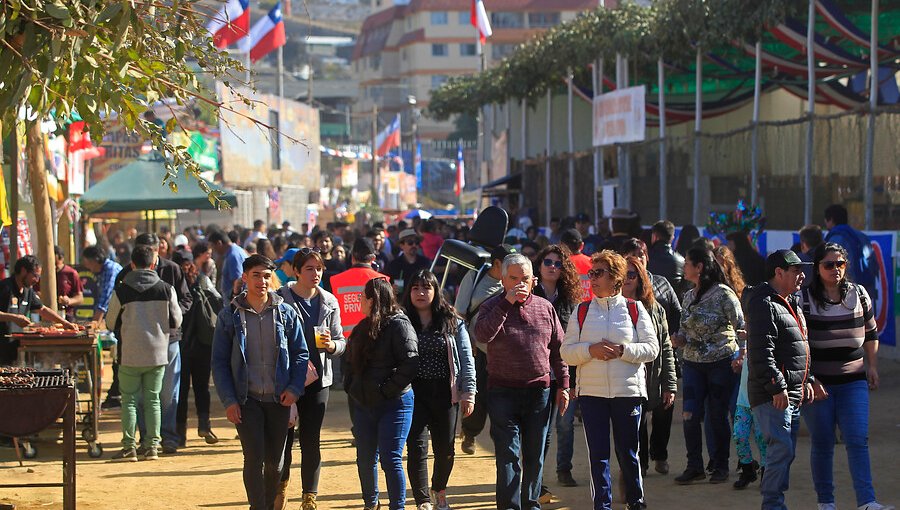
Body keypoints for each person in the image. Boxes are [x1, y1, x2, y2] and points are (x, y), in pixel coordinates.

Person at [560, 251, 659, 510]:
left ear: (616, 277)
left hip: (628, 393)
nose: (592, 278)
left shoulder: (635, 309)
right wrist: (590, 350)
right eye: (591, 273)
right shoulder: (581, 311)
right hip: (592, 394)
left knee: (628, 454)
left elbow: (652, 349)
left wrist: (623, 351)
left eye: (598, 273)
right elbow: (566, 352)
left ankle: (635, 502)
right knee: (598, 456)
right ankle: (601, 505)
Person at [799, 243, 894, 510]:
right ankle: (826, 503)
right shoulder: (803, 299)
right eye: (828, 265)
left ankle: (867, 501)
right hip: (818, 385)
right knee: (823, 442)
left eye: (840, 264)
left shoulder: (860, 294)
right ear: (817, 268)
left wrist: (872, 365)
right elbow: (797, 344)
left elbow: (871, 333)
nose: (835, 269)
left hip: (854, 381)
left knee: (857, 439)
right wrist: (808, 379)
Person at [211, 254, 308, 510]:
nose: (262, 281)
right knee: (253, 458)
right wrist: (230, 400)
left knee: (275, 462)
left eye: (267, 276)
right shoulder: (228, 316)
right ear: (245, 277)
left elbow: (301, 353)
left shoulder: (286, 313)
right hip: (247, 400)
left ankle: (266, 504)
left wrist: (295, 389)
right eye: (256, 275)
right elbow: (219, 362)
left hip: (279, 398)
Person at [474, 253, 570, 510]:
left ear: (533, 280)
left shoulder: (545, 307)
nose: (519, 284)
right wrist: (505, 303)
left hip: (539, 392)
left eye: (525, 278)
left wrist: (564, 385)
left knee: (534, 457)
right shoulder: (491, 306)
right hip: (502, 391)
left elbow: (559, 350)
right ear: (503, 280)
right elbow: (482, 334)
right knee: (507, 455)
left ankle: (531, 505)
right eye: (513, 278)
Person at [743, 249, 815, 510]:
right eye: (796, 271)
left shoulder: (789, 301)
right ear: (779, 273)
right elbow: (762, 352)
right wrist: (776, 387)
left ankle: (774, 503)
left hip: (789, 392)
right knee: (781, 449)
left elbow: (799, 347)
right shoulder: (764, 304)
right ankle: (772, 505)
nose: (802, 275)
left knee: (785, 451)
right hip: (773, 394)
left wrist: (808, 379)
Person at [276, 248, 347, 510]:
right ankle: (280, 487)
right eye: (309, 268)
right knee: (283, 439)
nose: (315, 273)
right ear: (296, 271)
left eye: (319, 269)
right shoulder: (280, 299)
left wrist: (331, 347)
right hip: (286, 379)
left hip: (318, 379)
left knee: (311, 439)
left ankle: (309, 497)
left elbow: (341, 341)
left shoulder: (329, 300)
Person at [401, 270, 476, 510]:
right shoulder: (400, 320)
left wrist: (469, 392)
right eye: (416, 288)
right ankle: (423, 500)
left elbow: (466, 357)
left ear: (436, 291)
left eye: (426, 288)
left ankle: (439, 490)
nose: (421, 293)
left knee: (445, 448)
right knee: (417, 447)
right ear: (409, 292)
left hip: (446, 392)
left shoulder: (452, 320)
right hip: (413, 393)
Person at [673, 247, 744, 485]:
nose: (684, 267)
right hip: (692, 363)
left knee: (717, 415)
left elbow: (742, 327)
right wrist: (678, 339)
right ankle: (694, 466)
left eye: (688, 262)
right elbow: (683, 329)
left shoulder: (724, 294)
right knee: (689, 414)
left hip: (721, 363)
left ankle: (721, 466)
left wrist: (741, 355)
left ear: (699, 267)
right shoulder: (688, 295)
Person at [346, 278, 419, 510]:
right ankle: (371, 504)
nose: (359, 300)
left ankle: (397, 507)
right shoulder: (361, 327)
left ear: (373, 300)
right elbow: (347, 364)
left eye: (363, 296)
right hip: (364, 404)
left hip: (395, 403)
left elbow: (410, 363)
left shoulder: (400, 325)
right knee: (365, 459)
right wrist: (353, 388)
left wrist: (386, 390)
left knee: (391, 459)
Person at [106, 245, 183, 461]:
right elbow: (176, 320)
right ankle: (152, 448)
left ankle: (129, 447)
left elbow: (111, 322)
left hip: (129, 353)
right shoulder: (167, 289)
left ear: (132, 264)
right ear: (153, 264)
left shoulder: (121, 290)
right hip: (158, 354)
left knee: (129, 400)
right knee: (153, 400)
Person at [619, 239, 682, 475]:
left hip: (655, 371)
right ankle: (640, 464)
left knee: (663, 413)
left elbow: (665, 345)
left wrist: (670, 383)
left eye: (633, 274)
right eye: (624, 273)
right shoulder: (611, 306)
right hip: (627, 376)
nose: (628, 278)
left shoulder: (656, 304)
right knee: (637, 422)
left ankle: (660, 454)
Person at [454, 244, 515, 456]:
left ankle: (501, 439)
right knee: (478, 396)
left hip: (506, 353)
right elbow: (459, 313)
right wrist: (466, 343)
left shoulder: (515, 280)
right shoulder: (475, 277)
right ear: (497, 263)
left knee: (503, 398)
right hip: (477, 350)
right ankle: (469, 433)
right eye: (508, 265)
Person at [532, 244, 583, 493]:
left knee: (564, 425)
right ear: (539, 267)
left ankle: (564, 469)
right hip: (536, 375)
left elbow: (575, 340)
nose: (553, 267)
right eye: (548, 263)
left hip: (564, 374)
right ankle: (536, 482)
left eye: (558, 264)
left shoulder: (570, 301)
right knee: (540, 431)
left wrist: (572, 381)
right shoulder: (529, 295)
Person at [174, 249, 222, 449]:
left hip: (180, 344)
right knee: (202, 387)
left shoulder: (172, 283)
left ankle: (180, 434)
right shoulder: (202, 280)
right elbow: (218, 301)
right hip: (203, 343)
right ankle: (204, 425)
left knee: (181, 391)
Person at [0, 255, 78, 364]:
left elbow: (43, 310)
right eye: (35, 276)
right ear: (23, 271)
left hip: (16, 347)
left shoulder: (28, 291)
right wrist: (14, 318)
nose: (37, 280)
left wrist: (64, 323)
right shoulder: (5, 287)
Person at [83, 245, 125, 408]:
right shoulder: (101, 272)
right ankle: (115, 394)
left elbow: (105, 301)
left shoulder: (111, 270)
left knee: (118, 358)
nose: (87, 266)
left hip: (121, 321)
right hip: (113, 321)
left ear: (95, 260)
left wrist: (94, 324)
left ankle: (116, 395)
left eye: (87, 262)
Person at [823, 204, 878, 304]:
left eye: (826, 221)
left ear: (830, 220)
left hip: (845, 295)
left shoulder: (834, 239)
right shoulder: (862, 236)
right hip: (865, 292)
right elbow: (874, 265)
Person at [385, 229, 430, 295]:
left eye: (417, 243)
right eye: (410, 243)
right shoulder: (394, 264)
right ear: (401, 245)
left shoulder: (425, 262)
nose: (414, 245)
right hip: (401, 301)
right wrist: (391, 288)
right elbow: (386, 284)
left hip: (420, 298)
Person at [647, 220, 685, 294]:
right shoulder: (682, 261)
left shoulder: (645, 258)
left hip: (650, 300)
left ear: (654, 236)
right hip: (673, 302)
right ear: (672, 238)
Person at [208, 229, 248, 300]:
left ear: (219, 243)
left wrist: (235, 301)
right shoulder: (235, 251)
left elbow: (238, 282)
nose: (213, 250)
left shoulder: (233, 256)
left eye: (213, 246)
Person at [49, 245, 84, 321]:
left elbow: (80, 298)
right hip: (46, 314)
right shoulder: (43, 273)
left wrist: (68, 301)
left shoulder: (71, 273)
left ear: (61, 259)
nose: (54, 268)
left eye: (56, 265)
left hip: (66, 315)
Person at [560, 228, 593, 300]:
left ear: (562, 246)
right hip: (590, 307)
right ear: (582, 245)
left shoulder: (560, 263)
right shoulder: (593, 262)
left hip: (570, 307)